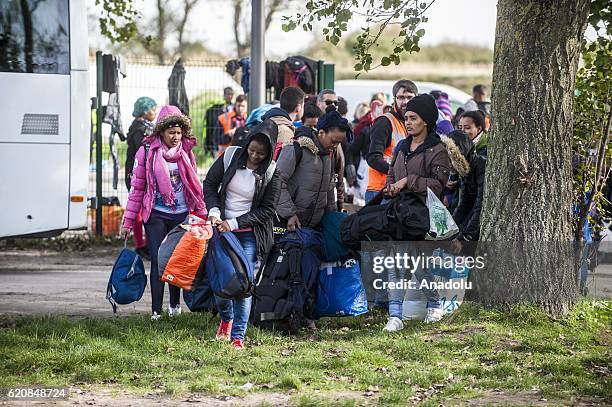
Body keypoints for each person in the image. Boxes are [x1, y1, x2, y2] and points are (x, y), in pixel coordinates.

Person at [121, 105, 207, 320]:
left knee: (176, 261)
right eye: (171, 132)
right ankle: (156, 311)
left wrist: (202, 214)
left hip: (181, 214)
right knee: (159, 261)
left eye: (179, 132)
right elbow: (137, 188)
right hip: (156, 214)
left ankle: (175, 307)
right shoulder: (147, 151)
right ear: (161, 132)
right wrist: (128, 221)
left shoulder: (186, 152)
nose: (176, 137)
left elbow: (194, 186)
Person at [203, 119, 280, 350]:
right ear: (246, 145)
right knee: (221, 281)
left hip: (247, 233)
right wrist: (215, 212)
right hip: (220, 230)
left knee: (243, 285)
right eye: (252, 150)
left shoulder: (272, 172)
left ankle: (238, 336)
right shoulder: (230, 157)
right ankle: (225, 319)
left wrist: (235, 223)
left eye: (261, 154)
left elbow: (268, 210)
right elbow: (210, 183)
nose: (255, 156)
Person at [383, 94, 451, 330]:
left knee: (420, 266)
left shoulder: (437, 150)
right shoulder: (401, 146)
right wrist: (391, 188)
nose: (408, 122)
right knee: (394, 265)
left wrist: (408, 181)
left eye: (413, 118)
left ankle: (434, 305)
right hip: (399, 213)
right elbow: (392, 174)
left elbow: (438, 185)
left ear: (426, 121)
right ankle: (395, 316)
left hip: (423, 216)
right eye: (407, 118)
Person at [276, 108, 350, 231]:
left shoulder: (329, 154)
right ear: (321, 133)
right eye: (333, 141)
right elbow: (277, 182)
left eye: (339, 143)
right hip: (289, 224)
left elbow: (329, 190)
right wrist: (289, 214)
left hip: (315, 226)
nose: (335, 146)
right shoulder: (296, 148)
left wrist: (331, 217)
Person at [366, 80, 417, 204]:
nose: (405, 102)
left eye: (409, 97)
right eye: (401, 97)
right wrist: (398, 175)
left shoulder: (408, 123)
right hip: (380, 191)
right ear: (394, 99)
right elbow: (373, 158)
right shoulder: (384, 122)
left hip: (399, 190)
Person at [124, 96, 157, 260]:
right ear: (145, 110)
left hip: (133, 171)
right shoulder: (141, 128)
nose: (155, 112)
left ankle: (142, 244)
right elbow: (143, 150)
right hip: (137, 174)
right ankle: (143, 245)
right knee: (140, 210)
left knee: (137, 210)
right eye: (153, 109)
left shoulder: (138, 126)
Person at [443, 131, 486, 252]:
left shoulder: (480, 166)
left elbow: (480, 206)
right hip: (473, 221)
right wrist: (449, 230)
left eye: (450, 158)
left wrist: (463, 237)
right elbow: (465, 203)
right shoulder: (465, 170)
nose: (448, 164)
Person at [261, 86, 305, 158]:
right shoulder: (285, 132)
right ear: (298, 108)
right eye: (303, 106)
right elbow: (281, 162)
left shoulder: (269, 121)